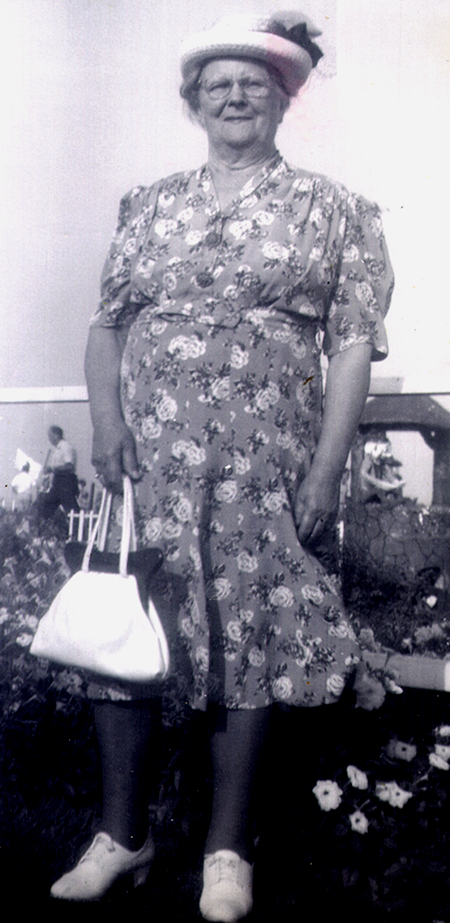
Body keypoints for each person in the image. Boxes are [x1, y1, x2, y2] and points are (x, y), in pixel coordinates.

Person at [50, 13, 394, 919]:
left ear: (283, 100)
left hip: (265, 466)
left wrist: (326, 466)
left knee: (252, 636)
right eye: (217, 86)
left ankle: (227, 851)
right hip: (151, 461)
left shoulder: (334, 210)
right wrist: (107, 423)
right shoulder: (150, 204)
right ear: (194, 104)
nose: (235, 96)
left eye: (254, 84)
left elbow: (352, 346)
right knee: (125, 625)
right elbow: (107, 325)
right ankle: (121, 837)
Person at [39, 425, 80, 517]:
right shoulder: (57, 449)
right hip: (57, 483)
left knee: (71, 509)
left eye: (50, 435)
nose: (49, 438)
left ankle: (79, 523)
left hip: (65, 482)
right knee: (46, 507)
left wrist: (52, 469)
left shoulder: (65, 447)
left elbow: (69, 466)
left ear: (56, 435)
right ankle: (46, 523)